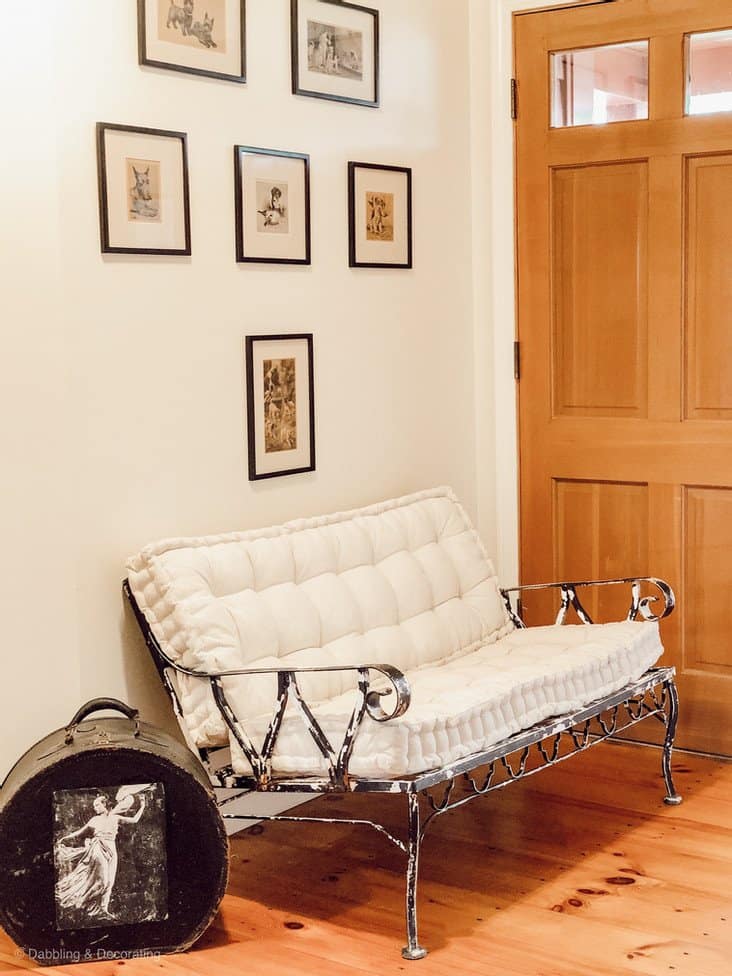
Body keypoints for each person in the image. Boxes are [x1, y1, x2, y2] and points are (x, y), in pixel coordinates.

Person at [55, 793, 146, 920]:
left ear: (104, 805)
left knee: (109, 883)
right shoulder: (94, 820)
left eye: (97, 804)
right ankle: (80, 901)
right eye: (94, 805)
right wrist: (65, 838)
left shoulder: (115, 817)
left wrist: (143, 805)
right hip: (97, 847)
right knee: (102, 881)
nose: (95, 808)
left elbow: (135, 820)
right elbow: (79, 832)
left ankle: (104, 909)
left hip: (112, 849)